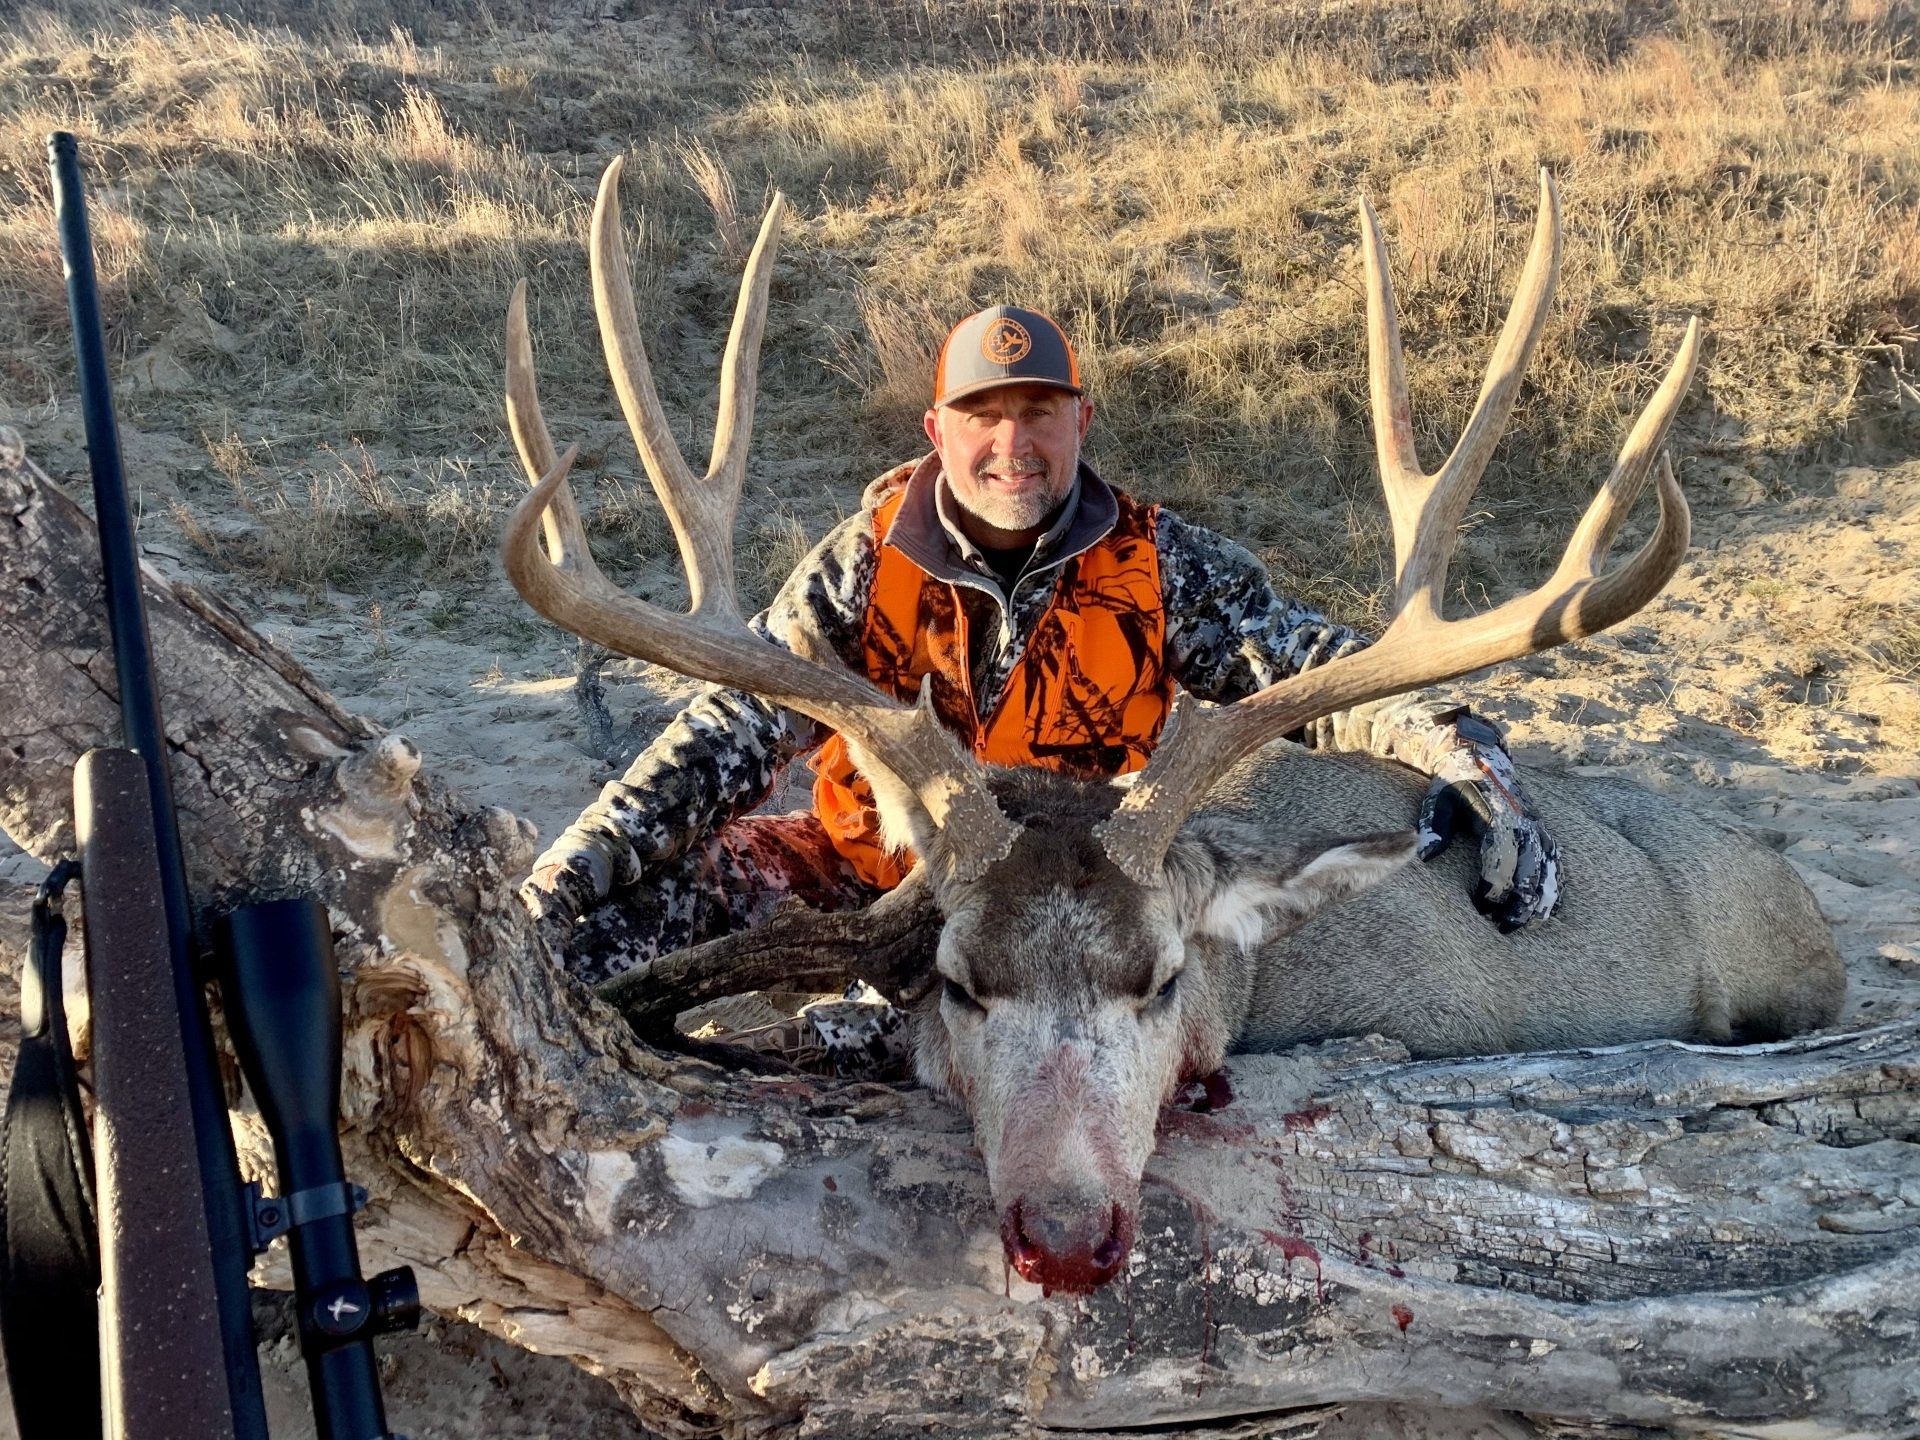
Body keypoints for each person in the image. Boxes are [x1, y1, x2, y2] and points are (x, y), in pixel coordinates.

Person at [520, 305, 1560, 989]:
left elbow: (1326, 676)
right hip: (860, 879)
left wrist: (1468, 756)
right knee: (594, 946)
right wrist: (562, 884)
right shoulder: (861, 566)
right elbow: (728, 732)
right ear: (937, 429)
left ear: (1079, 421)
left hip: (1069, 911)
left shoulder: (1164, 568)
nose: (1011, 442)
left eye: (1038, 413)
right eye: (984, 414)